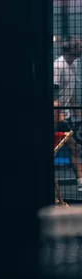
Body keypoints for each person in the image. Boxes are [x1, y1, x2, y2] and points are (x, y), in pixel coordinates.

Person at [54, 39, 82, 193]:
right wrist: (58, 114)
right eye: (80, 46)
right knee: (72, 148)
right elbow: (52, 93)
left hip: (65, 115)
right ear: (72, 48)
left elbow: (68, 88)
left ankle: (80, 183)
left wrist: (74, 105)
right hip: (55, 116)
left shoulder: (74, 64)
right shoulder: (58, 66)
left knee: (75, 148)